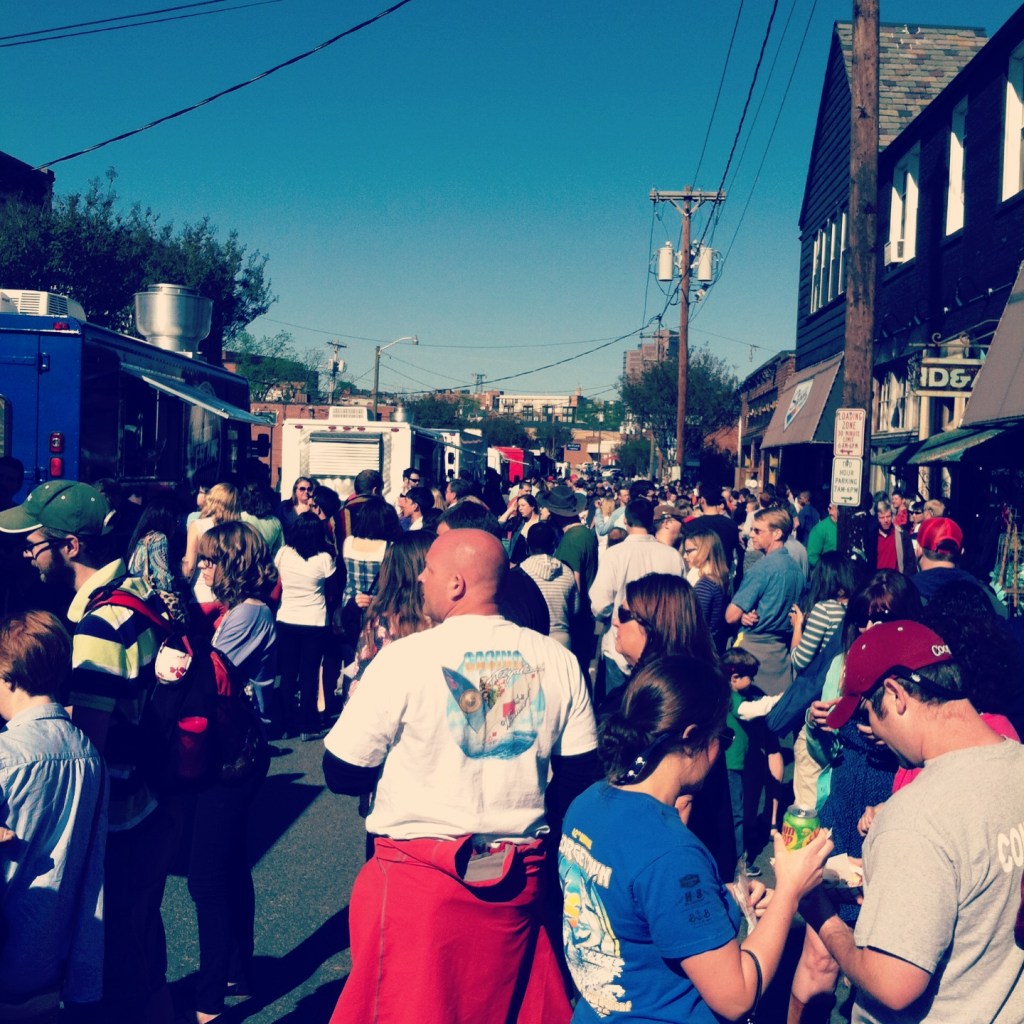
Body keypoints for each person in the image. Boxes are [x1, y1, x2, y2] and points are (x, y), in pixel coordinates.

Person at [321, 529, 599, 1024]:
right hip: (518, 879)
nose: (420, 578)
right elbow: (579, 778)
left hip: (418, 882)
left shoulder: (405, 659)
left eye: (427, 569)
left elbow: (341, 770)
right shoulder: (559, 661)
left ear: (455, 584)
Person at [560, 653, 834, 1024]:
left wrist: (723, 895)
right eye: (722, 735)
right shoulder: (670, 851)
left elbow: (630, 906)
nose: (721, 748)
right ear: (691, 739)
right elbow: (737, 997)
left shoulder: (586, 804)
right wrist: (789, 890)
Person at [0, 481, 176, 1023]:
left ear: (70, 547)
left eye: (33, 544)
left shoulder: (98, 625)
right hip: (146, 799)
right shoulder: (137, 595)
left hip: (115, 820)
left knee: (117, 959)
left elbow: (85, 743)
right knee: (144, 950)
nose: (27, 555)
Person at [800, 620, 1024, 1024]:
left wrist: (822, 915)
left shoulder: (915, 816)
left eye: (869, 714)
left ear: (896, 695)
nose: (875, 733)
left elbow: (893, 984)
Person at [186, 522, 277, 1024]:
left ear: (233, 562)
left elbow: (209, 676)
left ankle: (208, 1001)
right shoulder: (238, 610)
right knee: (230, 866)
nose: (202, 567)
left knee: (206, 878)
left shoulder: (249, 614)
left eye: (209, 559)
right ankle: (238, 969)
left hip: (232, 754)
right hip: (233, 748)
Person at [0, 610, 107, 1022]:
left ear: (8, 676)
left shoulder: (8, 756)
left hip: (7, 939)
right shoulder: (87, 753)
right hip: (54, 945)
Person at [590, 499, 683, 695]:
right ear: (651, 521)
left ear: (625, 521)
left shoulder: (615, 554)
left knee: (617, 707)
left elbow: (600, 604)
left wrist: (612, 617)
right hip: (660, 644)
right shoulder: (672, 556)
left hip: (620, 646)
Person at [726, 506, 804, 696]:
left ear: (777, 533)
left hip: (751, 653)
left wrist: (741, 615)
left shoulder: (761, 569)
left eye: (758, 531)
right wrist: (746, 615)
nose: (751, 535)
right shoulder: (796, 569)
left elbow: (730, 616)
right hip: (780, 655)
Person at [275, 512, 337, 740]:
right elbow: (331, 590)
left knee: (288, 674)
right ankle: (307, 724)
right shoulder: (324, 559)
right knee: (309, 674)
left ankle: (285, 722)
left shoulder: (283, 553)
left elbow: (278, 581)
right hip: (314, 621)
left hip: (287, 618)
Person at [518, 521, 577, 648]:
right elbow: (575, 609)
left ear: (528, 545)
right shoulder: (566, 572)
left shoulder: (521, 572)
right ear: (553, 545)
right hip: (562, 642)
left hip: (532, 640)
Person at [182, 482, 240, 610]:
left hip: (200, 595)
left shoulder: (197, 525)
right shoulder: (239, 529)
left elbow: (190, 566)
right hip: (229, 597)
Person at [682, 526, 731, 652]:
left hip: (700, 649)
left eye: (688, 551)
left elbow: (694, 623)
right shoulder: (718, 579)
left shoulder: (704, 584)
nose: (684, 556)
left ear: (704, 551)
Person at [868, 498, 916, 576]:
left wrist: (904, 579)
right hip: (878, 580)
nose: (886, 520)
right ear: (877, 518)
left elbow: (910, 561)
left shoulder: (902, 534)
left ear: (892, 516)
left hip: (896, 581)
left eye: (888, 516)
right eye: (882, 517)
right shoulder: (872, 536)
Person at [806, 501, 838, 569]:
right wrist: (826, 571)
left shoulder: (851, 526)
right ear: (831, 510)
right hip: (828, 575)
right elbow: (812, 557)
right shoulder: (820, 529)